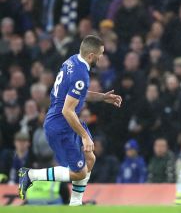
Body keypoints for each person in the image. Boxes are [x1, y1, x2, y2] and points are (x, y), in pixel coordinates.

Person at [17, 35, 122, 206]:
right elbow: (67, 110)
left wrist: (102, 97)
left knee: (90, 159)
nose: (101, 58)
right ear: (90, 56)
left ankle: (76, 204)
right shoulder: (82, 74)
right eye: (100, 54)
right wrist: (84, 136)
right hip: (61, 126)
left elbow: (76, 95)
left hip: (66, 121)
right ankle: (30, 175)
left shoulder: (72, 61)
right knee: (79, 173)